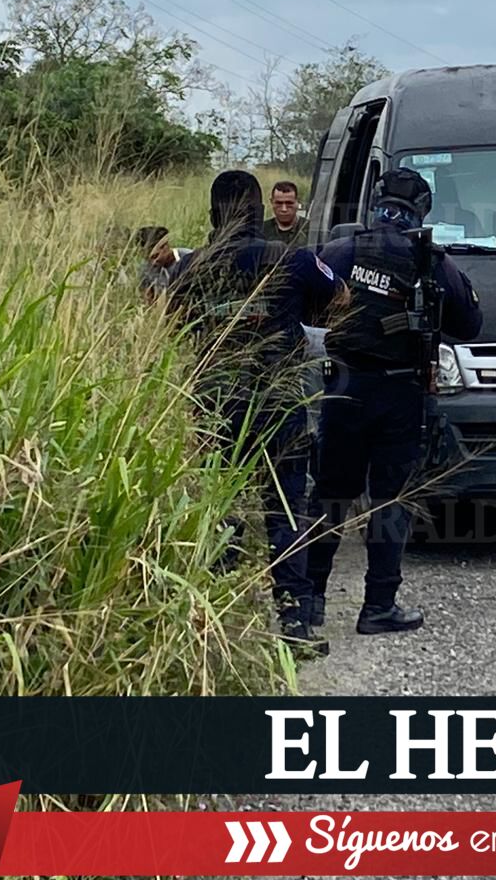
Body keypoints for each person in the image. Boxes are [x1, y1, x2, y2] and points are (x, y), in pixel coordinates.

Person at [168, 170, 344, 654]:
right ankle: (294, 625)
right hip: (279, 401)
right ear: (256, 209)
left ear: (213, 213)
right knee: (285, 509)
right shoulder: (292, 258)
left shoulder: (191, 268)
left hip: (218, 403)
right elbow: (341, 301)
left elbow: (172, 324)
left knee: (219, 510)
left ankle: (222, 627)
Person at [307, 168, 483, 634]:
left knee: (329, 494)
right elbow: (470, 325)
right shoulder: (432, 262)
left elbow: (306, 304)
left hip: (343, 389)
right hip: (401, 392)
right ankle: (378, 606)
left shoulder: (343, 249)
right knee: (392, 499)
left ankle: (310, 601)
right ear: (422, 211)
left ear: (376, 201)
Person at [262, 180, 310, 246]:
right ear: (271, 202)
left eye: (289, 203)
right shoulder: (261, 230)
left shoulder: (310, 229)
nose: (284, 209)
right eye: (279, 203)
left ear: (297, 202)